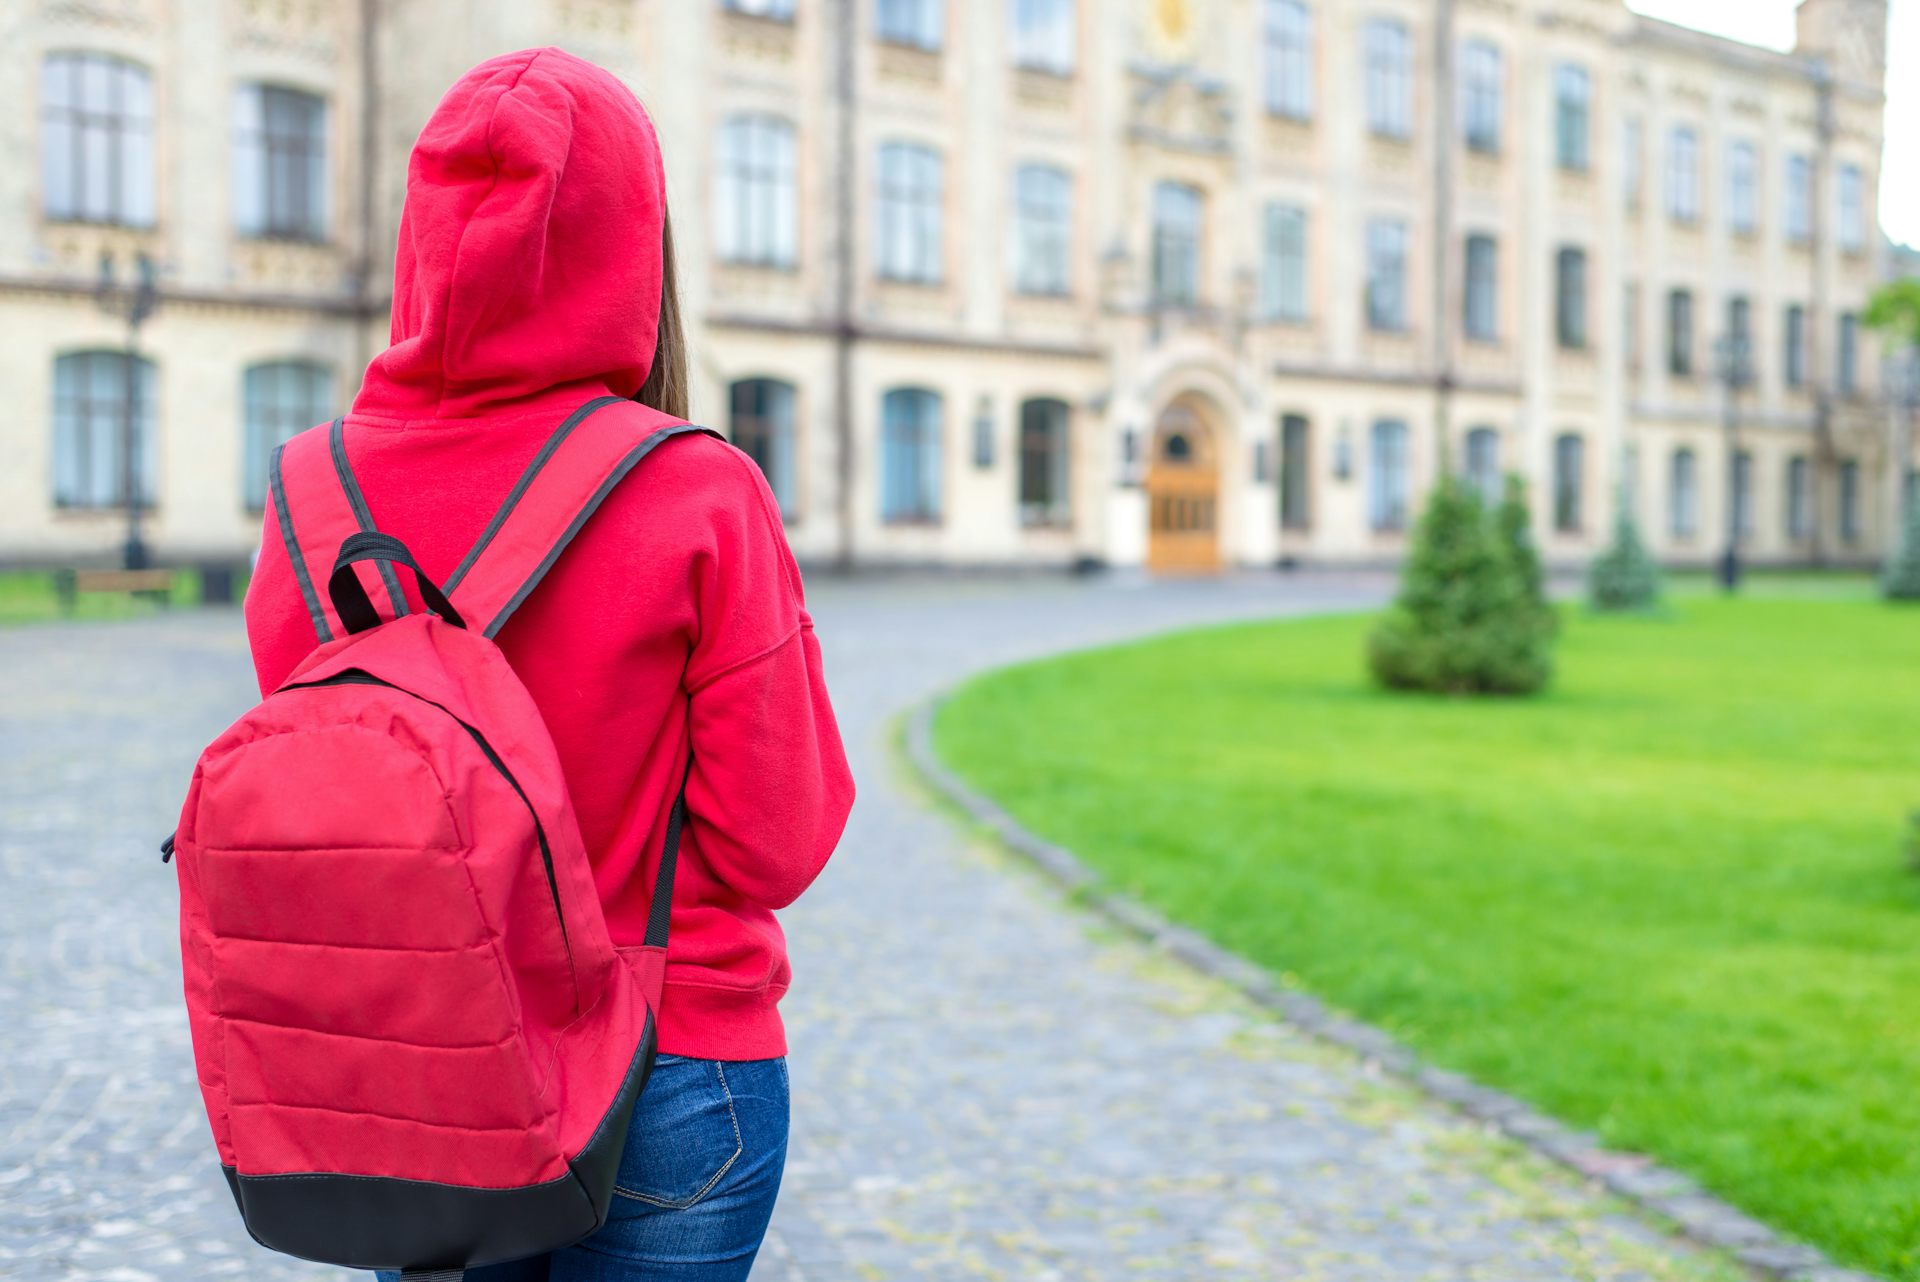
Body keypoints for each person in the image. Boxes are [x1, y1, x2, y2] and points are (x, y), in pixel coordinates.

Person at [243, 48, 855, 1282]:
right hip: (670, 1069)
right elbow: (776, 842)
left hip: (422, 1073)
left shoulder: (310, 490)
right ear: (635, 245)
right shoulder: (696, 489)